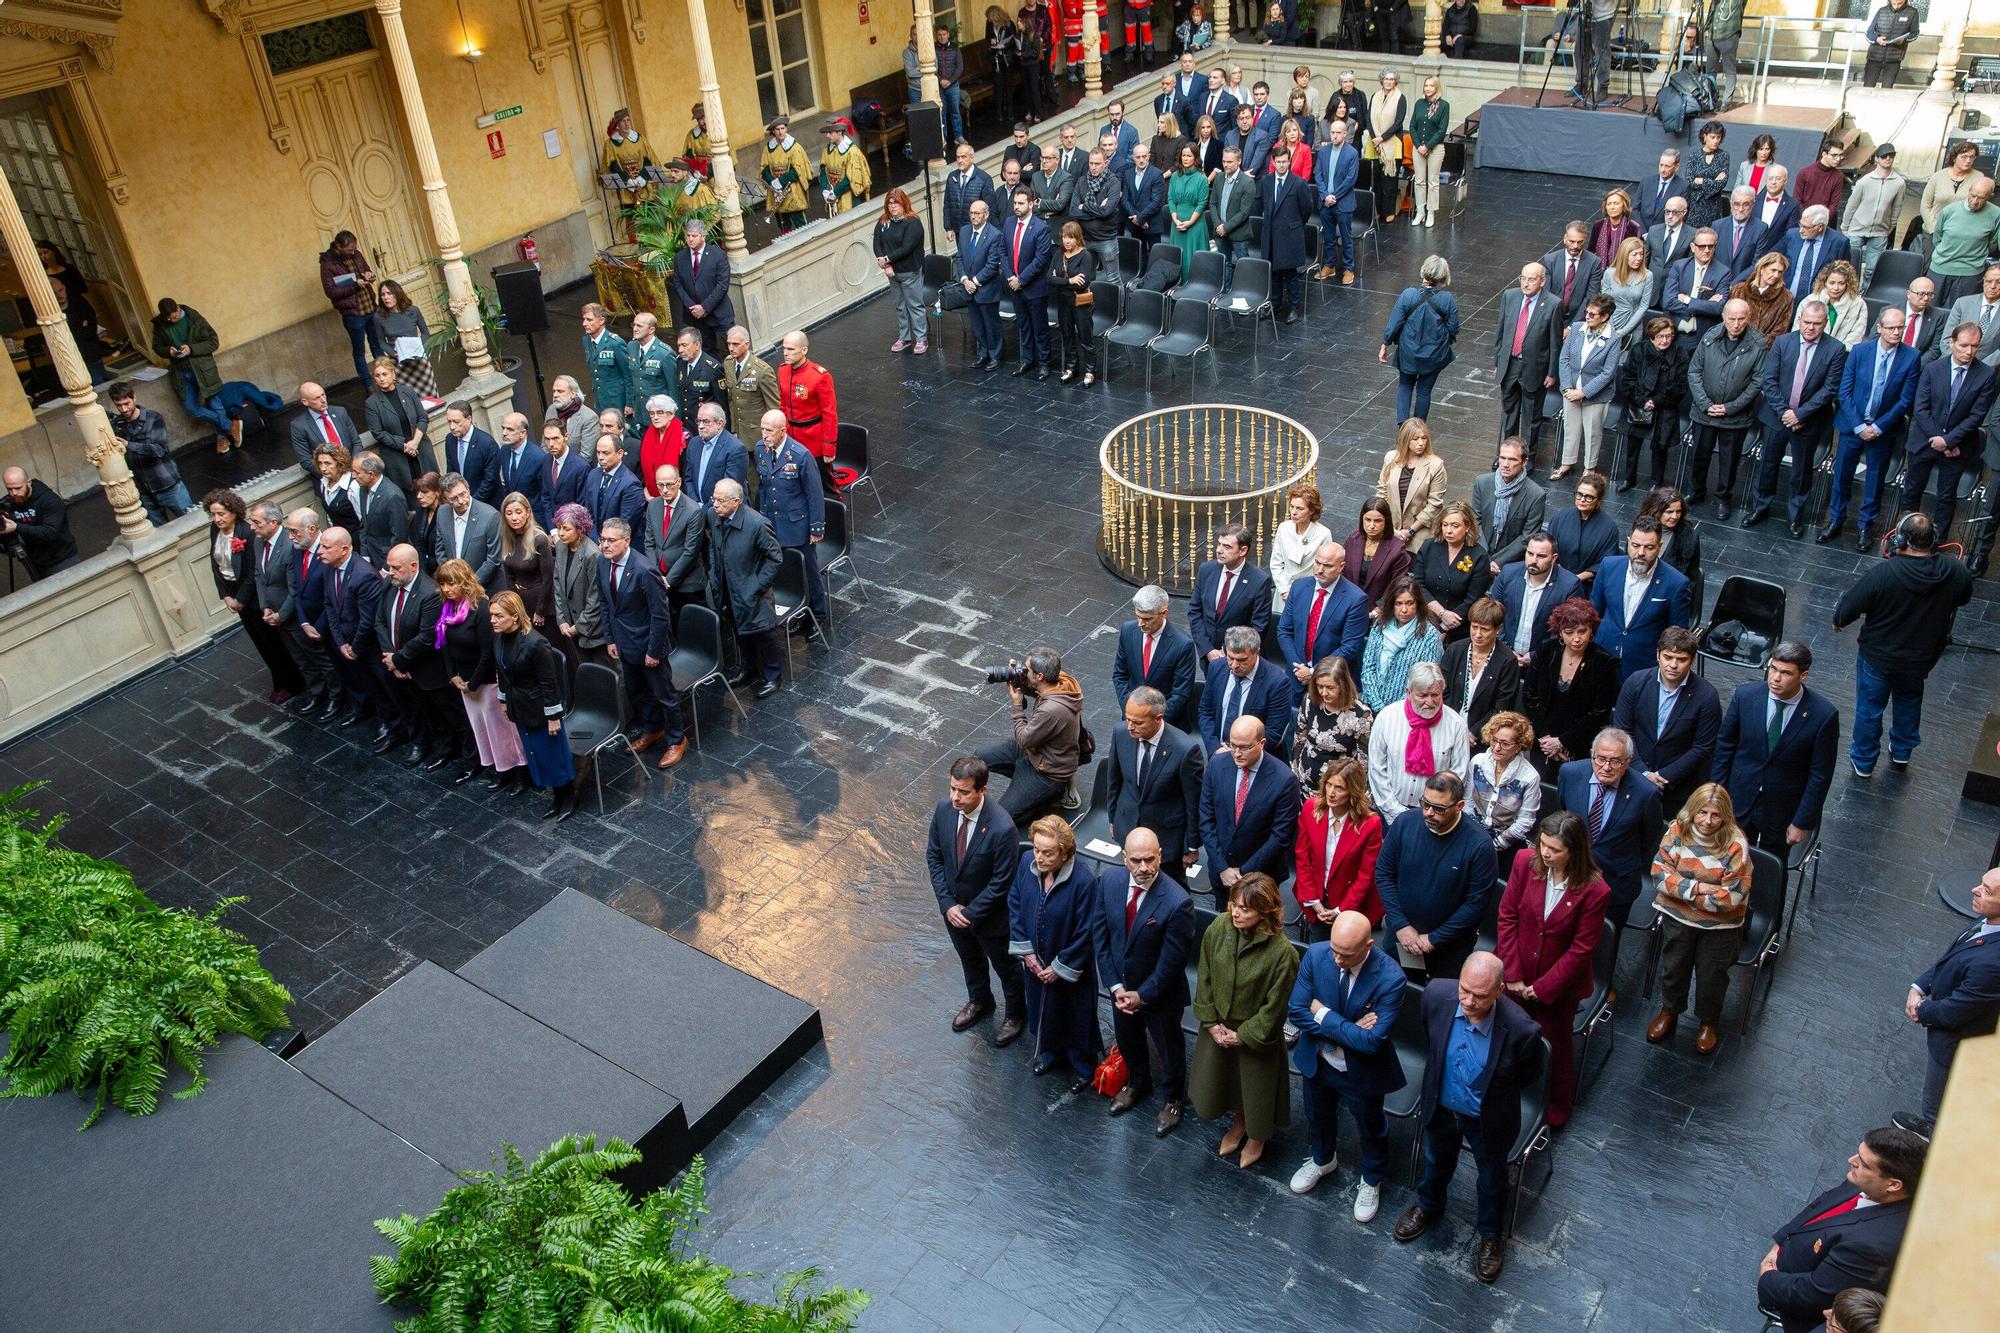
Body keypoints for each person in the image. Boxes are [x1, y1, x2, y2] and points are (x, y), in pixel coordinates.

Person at [1393, 952, 1543, 1282]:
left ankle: (1491, 1236)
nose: (1469, 1002)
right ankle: (1429, 1204)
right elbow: (1430, 1040)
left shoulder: (1521, 1031)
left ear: (1499, 990)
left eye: (1479, 995)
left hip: (1487, 1118)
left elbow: (1530, 1075)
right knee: (1436, 1160)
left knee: (1491, 1178)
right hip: (1443, 1104)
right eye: (1465, 990)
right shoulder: (1436, 996)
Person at [1833, 512, 1972, 777]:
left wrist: (1840, 619)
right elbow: (1963, 598)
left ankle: (1863, 762)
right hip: (1921, 658)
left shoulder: (1884, 573)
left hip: (1879, 656)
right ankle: (1901, 752)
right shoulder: (1955, 571)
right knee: (1909, 701)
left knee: (1870, 709)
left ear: (1900, 539)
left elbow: (1847, 609)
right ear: (1933, 540)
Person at [1286, 908, 1404, 1219]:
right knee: (1317, 1114)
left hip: (1361, 1072)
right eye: (1336, 950)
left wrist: (1323, 1014)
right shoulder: (1316, 954)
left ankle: (1372, 1178)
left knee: (1370, 1126)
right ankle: (1322, 1159)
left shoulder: (1391, 978)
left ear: (1368, 946)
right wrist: (1349, 1029)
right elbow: (1297, 1010)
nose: (1338, 960)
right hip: (1319, 1061)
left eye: (1347, 955)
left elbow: (1371, 1042)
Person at [1496, 811, 1607, 1127]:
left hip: (1557, 987)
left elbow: (1581, 949)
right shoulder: (1523, 862)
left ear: (1574, 851)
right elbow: (1507, 917)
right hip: (1516, 972)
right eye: (1543, 844)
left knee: (1556, 1045)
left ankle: (1557, 1104)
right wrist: (1513, 974)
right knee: (1507, 1034)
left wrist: (1542, 988)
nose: (1545, 853)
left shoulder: (1595, 890)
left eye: (1555, 849)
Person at [1758, 1130, 1926, 1332]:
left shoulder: (1871, 1247)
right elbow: (1822, 1204)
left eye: (1863, 1163)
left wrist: (1767, 1279)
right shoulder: (1867, 1181)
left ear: (1893, 1185)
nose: (1852, 1160)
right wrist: (1780, 1241)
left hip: (1793, 1301)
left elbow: (1813, 1293)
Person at [1190, 872, 1299, 1170]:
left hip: (1254, 1037)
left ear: (1265, 911)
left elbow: (1275, 1009)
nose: (1235, 913)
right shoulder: (1219, 928)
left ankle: (1256, 1137)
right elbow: (1205, 975)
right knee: (1227, 1083)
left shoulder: (1283, 954)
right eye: (1233, 904)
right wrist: (1211, 1023)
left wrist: (1243, 1036)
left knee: (1256, 1090)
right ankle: (1238, 1125)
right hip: (1219, 1027)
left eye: (1245, 909)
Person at [1093, 828, 1197, 1136]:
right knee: (1128, 1040)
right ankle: (1138, 1082)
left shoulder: (1178, 902)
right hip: (1121, 989)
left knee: (1169, 1049)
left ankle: (1173, 1099)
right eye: (1136, 860)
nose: (1143, 868)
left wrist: (1143, 995)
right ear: (1124, 859)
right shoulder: (1108, 883)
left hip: (1160, 995)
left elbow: (1172, 963)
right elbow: (1102, 939)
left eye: (1149, 859)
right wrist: (1115, 987)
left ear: (1160, 856)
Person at [1644, 781, 1753, 1053]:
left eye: (1715, 815)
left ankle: (1708, 1022)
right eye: (1702, 813)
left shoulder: (1736, 843)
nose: (1707, 821)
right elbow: (1658, 875)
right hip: (1678, 920)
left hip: (1721, 927)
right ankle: (1670, 1011)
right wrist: (1702, 888)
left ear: (1725, 816)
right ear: (1692, 810)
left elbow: (1729, 899)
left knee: (1711, 977)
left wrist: (1681, 889)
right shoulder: (1676, 830)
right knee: (1674, 968)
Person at [1896, 865, 2000, 1136]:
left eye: (1986, 891)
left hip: (1954, 1043)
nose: (1975, 890)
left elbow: (1956, 1010)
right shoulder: (1988, 920)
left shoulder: (1994, 963)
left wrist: (1921, 1008)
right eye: (1981, 883)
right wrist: (1919, 985)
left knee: (1936, 1105)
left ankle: (1932, 1136)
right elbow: (1952, 958)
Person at [1712, 641, 1840, 857]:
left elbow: (1820, 774)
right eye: (1773, 668)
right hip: (1739, 798)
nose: (1776, 678)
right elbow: (1725, 746)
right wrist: (1715, 794)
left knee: (1773, 869)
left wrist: (1802, 822)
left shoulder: (1823, 715)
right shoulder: (1745, 696)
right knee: (1726, 858)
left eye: (1786, 673)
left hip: (1782, 809)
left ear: (1803, 676)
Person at [1008, 815, 1102, 1089]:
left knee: (1074, 1015)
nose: (1039, 857)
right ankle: (1050, 1053)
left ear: (1065, 852)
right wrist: (1027, 954)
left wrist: (1060, 967)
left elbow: (1086, 932)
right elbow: (1015, 902)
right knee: (1041, 1009)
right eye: (1037, 849)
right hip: (1035, 962)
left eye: (1047, 853)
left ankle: (1082, 1067)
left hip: (1069, 968)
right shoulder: (1027, 863)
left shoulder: (1084, 881)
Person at [1744, 290, 1846, 534]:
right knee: (1767, 464)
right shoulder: (1782, 342)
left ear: (1825, 323)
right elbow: (1770, 380)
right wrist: (1785, 412)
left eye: (1817, 324)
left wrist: (1799, 415)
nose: (1810, 328)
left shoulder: (1836, 349)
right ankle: (1760, 507)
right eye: (1807, 322)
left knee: (1801, 473)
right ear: (1799, 319)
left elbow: (1829, 389)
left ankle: (1795, 517)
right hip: (1776, 416)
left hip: (1808, 421)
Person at [596, 515, 688, 769]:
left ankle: (677, 740)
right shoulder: (603, 563)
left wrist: (654, 651)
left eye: (611, 541)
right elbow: (606, 603)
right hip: (624, 644)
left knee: (665, 695)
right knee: (638, 692)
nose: (604, 545)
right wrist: (610, 638)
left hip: (649, 645)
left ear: (626, 541)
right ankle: (653, 729)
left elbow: (660, 615)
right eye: (602, 539)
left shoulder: (644, 570)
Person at [433, 556, 528, 791]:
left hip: (484, 683)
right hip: (464, 681)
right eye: (443, 584)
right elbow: (444, 644)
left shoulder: (481, 610)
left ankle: (519, 774)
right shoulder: (447, 609)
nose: (446, 589)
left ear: (464, 582)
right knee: (483, 730)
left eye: (451, 583)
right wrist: (452, 674)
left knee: (502, 731)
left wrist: (472, 683)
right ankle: (500, 770)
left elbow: (488, 653)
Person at [1901, 320, 1998, 541]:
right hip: (1925, 440)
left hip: (1958, 446)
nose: (1969, 351)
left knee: (1946, 497)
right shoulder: (1933, 369)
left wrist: (1949, 441)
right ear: (1951, 342)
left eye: (1974, 346)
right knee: (1912, 491)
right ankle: (1904, 536)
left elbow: (1977, 416)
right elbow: (1921, 408)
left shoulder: (1985, 375)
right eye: (1964, 345)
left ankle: (1938, 542)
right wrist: (1939, 439)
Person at [205, 490, 302, 702]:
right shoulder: (215, 530)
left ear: (233, 512)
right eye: (213, 514)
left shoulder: (246, 533)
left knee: (274, 642)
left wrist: (240, 599)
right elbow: (216, 565)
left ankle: (290, 682)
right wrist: (226, 596)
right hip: (235, 595)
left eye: (221, 514)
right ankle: (279, 680)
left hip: (253, 597)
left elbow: (252, 571)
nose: (217, 519)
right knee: (260, 643)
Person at [1612, 626, 1721, 816]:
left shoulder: (1706, 696)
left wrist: (1664, 776)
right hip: (1631, 778)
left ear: (1692, 661)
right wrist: (1643, 773)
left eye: (1681, 660)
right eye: (1668, 657)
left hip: (1677, 790)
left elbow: (1702, 747)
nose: (1673, 665)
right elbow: (1622, 731)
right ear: (1657, 655)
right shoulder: (1636, 682)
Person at [490, 589, 578, 821]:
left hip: (540, 709)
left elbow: (550, 684)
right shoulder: (499, 639)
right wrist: (502, 699)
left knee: (554, 755)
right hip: (520, 707)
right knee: (537, 754)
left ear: (515, 616)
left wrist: (552, 717)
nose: (493, 620)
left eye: (499, 616)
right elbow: (502, 671)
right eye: (492, 615)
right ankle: (557, 797)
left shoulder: (536, 643)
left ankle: (568, 796)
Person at [376, 542, 463, 769]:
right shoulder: (389, 584)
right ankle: (426, 743)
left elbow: (426, 637)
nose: (390, 572)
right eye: (390, 567)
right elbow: (380, 621)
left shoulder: (430, 593)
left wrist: (397, 660)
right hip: (397, 663)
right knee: (415, 708)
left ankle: (450, 750)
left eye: (396, 568)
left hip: (426, 669)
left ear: (413, 566)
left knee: (441, 712)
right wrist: (391, 657)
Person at [1200, 715, 1299, 910]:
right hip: (1221, 873)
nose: (1236, 753)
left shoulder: (1284, 779)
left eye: (1244, 747)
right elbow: (1206, 819)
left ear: (1262, 743)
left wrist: (1243, 872)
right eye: (1232, 745)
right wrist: (1222, 867)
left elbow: (1280, 836)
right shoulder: (1217, 765)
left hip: (1261, 878)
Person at [1105, 684, 1203, 875]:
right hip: (1128, 828)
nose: (1130, 727)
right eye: (1128, 719)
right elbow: (1114, 781)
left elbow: (1193, 802)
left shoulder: (1185, 750)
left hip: (1166, 839)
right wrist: (1113, 819)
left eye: (1138, 722)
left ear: (1158, 719)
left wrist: (1191, 846)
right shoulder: (1120, 733)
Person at [1687, 298, 1769, 517]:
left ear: (1748, 318)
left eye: (1741, 319)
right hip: (1704, 411)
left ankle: (1723, 498)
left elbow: (1757, 382)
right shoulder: (1710, 336)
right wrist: (1705, 404)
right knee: (1699, 455)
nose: (1736, 324)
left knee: (1729, 461)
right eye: (1731, 319)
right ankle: (1696, 491)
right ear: (1723, 317)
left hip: (1735, 417)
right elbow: (1694, 371)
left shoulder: (1758, 343)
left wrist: (1730, 407)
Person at [1524, 596, 1620, 780]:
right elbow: (1530, 695)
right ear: (1560, 632)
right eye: (1569, 632)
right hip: (1542, 740)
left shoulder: (1605, 662)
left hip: (1578, 745)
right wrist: (1546, 739)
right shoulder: (1546, 649)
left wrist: (1562, 742)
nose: (1576, 638)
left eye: (1582, 631)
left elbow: (1599, 712)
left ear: (1591, 629)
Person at [706, 478, 784, 698]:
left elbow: (775, 558)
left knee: (764, 634)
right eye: (714, 499)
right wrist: (714, 573)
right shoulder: (714, 516)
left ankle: (772, 675)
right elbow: (714, 546)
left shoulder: (757, 524)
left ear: (736, 501)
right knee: (740, 632)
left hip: (751, 591)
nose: (715, 505)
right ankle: (748, 668)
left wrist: (756, 586)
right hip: (727, 588)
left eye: (720, 501)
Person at [1589, 517, 1692, 679]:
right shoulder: (1608, 566)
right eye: (1635, 546)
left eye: (1649, 547)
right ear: (1628, 542)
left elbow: (1677, 634)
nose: (1641, 553)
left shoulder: (1676, 583)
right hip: (1603, 656)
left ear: (1659, 547)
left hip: (1643, 666)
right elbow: (1593, 611)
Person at [1293, 759, 1384, 941]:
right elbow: (1302, 858)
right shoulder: (1311, 808)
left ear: (1353, 791)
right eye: (1329, 785)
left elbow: (1366, 875)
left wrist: (1341, 910)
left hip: (1350, 902)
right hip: (1315, 895)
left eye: (1339, 788)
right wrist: (1314, 901)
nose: (1331, 793)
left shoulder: (1370, 824)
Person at [753, 407, 828, 629]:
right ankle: (797, 610)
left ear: (783, 431)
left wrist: (816, 528)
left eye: (769, 430)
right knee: (783, 570)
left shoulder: (800, 456)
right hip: (772, 523)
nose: (764, 435)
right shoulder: (761, 449)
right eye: (762, 429)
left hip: (797, 525)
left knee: (808, 571)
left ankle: (818, 613)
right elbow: (764, 487)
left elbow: (814, 495)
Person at [1379, 255, 1461, 421]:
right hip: (1434, 355)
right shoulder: (1447, 300)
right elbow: (1453, 328)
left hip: (1408, 352)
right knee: (1424, 391)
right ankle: (1418, 429)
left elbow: (1395, 323)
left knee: (1405, 385)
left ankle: (1403, 428)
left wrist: (1385, 343)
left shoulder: (1408, 295)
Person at [1494, 267, 1563, 456]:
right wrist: (1498, 361)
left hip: (1534, 368)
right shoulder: (1510, 296)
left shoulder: (1553, 304)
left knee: (1531, 416)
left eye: (1531, 280)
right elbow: (1501, 331)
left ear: (1542, 281)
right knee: (1509, 413)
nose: (1525, 283)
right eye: (1522, 278)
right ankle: (1507, 455)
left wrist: (1551, 372)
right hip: (1510, 364)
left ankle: (1527, 457)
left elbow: (1554, 342)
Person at [1278, 541, 1370, 684]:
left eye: (1327, 566)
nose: (1320, 570)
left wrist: (1314, 672)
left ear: (1341, 567)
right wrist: (1299, 668)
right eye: (1317, 562)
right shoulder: (1299, 587)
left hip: (1332, 681)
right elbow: (1284, 630)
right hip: (1296, 674)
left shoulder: (1356, 599)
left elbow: (1349, 647)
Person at [1618, 319, 1691, 493]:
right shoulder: (1639, 350)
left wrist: (1656, 401)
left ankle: (1657, 481)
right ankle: (1629, 478)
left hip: (1665, 407)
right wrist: (1642, 400)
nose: (1665, 341)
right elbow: (1628, 378)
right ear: (1651, 336)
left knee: (1660, 446)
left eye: (1669, 336)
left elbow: (1680, 386)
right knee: (1633, 444)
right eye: (1660, 336)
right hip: (1638, 404)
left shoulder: (1680, 354)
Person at [1200, 625, 1294, 756]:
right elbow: (1206, 711)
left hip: (1255, 760)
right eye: (1230, 658)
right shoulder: (1216, 668)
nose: (1234, 665)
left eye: (1242, 660)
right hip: (1218, 754)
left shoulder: (1278, 683)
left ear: (1257, 652)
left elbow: (1274, 732)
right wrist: (1214, 748)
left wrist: (1237, 754)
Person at [1493, 530, 1580, 671]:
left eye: (1541, 556)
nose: (1533, 560)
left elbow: (1567, 629)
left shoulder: (1570, 585)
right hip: (1503, 656)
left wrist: (1536, 654)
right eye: (1530, 553)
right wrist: (1505, 648)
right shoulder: (1508, 573)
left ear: (1554, 558)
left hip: (1543, 663)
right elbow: (1494, 614)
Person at [106, 382, 191, 525]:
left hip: (167, 484)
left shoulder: (153, 418)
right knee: (159, 532)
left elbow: (159, 450)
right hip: (143, 491)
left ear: (134, 398)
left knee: (190, 520)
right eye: (119, 405)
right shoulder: (118, 424)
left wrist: (128, 444)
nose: (124, 409)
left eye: (126, 403)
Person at [1554, 295, 1620, 478]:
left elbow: (1608, 373)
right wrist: (1567, 387)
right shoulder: (1576, 329)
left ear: (1605, 317)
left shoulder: (1613, 339)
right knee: (1571, 428)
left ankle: (1589, 467)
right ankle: (1567, 462)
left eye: (1593, 314)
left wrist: (1583, 392)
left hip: (1595, 395)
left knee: (1592, 432)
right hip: (1571, 390)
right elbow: (1564, 358)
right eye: (1587, 312)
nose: (1588, 316)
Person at [1112, 584, 1197, 725]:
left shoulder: (1182, 645)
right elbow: (1120, 675)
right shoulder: (1128, 631)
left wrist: (1153, 723)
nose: (1140, 624)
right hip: (1131, 721)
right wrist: (1132, 713)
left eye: (1147, 619)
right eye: (1138, 616)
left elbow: (1180, 694)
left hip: (1165, 724)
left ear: (1164, 613)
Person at [1289, 654, 1374, 793]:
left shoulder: (1361, 715)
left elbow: (1363, 761)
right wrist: (1295, 773)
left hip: (1338, 790)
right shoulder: (1310, 700)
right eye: (1319, 686)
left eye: (1330, 687)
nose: (1323, 693)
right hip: (1306, 784)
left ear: (1343, 685)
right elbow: (1299, 738)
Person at [1359, 575, 1444, 713]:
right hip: (1371, 705)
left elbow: (1423, 682)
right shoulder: (1380, 626)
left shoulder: (1429, 636)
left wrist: (1393, 711)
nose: (1404, 610)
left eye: (1409, 603)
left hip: (1407, 711)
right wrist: (1377, 704)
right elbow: (1368, 668)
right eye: (1398, 603)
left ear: (1418, 603)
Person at [1189, 523, 1272, 662]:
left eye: (1227, 547)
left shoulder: (1259, 581)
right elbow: (1194, 611)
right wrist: (1207, 649)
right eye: (1219, 544)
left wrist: (1227, 652)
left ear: (1243, 550)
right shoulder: (1206, 570)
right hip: (1208, 656)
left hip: (1239, 658)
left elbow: (1258, 626)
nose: (1219, 550)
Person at [1441, 598, 1519, 738]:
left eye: (1485, 629)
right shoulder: (1454, 650)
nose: (1477, 634)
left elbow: (1502, 706)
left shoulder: (1507, 661)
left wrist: (1474, 733)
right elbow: (1442, 690)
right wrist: (1451, 724)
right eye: (1474, 627)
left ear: (1498, 629)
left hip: (1483, 735)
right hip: (1447, 725)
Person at [1413, 502, 1492, 643]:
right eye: (1445, 525)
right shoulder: (1429, 546)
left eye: (1455, 526)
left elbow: (1473, 599)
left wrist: (1445, 626)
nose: (1448, 531)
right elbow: (1418, 583)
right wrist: (1441, 613)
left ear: (1467, 527)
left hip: (1459, 626)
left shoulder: (1479, 556)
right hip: (1424, 618)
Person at [362, 357, 436, 501]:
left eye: (385, 374)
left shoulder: (407, 391)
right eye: (377, 376)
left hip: (421, 449)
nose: (382, 379)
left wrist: (414, 442)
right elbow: (378, 433)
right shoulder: (372, 403)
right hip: (398, 458)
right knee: (411, 499)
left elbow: (422, 417)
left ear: (393, 374)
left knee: (432, 488)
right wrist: (404, 445)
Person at [1469, 710, 1540, 860]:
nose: (1496, 748)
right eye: (1494, 740)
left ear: (1519, 745)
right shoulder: (1478, 762)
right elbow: (1467, 800)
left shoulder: (1529, 777)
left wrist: (1496, 844)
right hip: (1472, 834)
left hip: (1506, 841)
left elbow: (1525, 821)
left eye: (1505, 744)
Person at [1000, 186, 1054, 379]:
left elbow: (1040, 260)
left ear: (1031, 204)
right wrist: (1010, 277)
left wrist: (1020, 280)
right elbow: (1003, 252)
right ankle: (1027, 360)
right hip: (1014, 286)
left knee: (1040, 328)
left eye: (1021, 203)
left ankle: (1044, 364)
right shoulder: (1008, 223)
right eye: (1015, 203)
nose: (1016, 207)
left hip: (1034, 288)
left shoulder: (1041, 228)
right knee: (1023, 326)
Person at [775, 330, 839, 489]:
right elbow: (783, 404)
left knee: (825, 484)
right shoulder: (783, 370)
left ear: (804, 350)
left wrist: (829, 447)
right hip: (791, 437)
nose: (785, 353)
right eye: (784, 348)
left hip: (813, 440)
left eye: (790, 349)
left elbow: (830, 415)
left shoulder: (820, 376)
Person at [642, 464, 706, 622]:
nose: (664, 490)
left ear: (679, 482)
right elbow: (649, 543)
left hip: (687, 584)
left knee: (690, 630)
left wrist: (668, 580)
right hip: (660, 577)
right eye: (660, 485)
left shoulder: (693, 511)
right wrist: (656, 575)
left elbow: (690, 552)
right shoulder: (653, 505)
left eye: (669, 484)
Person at [1258, 143, 1313, 323]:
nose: (1281, 165)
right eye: (1278, 162)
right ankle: (1275, 303)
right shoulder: (1266, 181)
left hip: (1290, 235)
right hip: (1271, 234)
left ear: (1289, 162)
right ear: (1273, 162)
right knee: (1273, 272)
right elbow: (1262, 205)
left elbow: (1306, 209)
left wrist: (1295, 224)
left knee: (1290, 274)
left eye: (1284, 162)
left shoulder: (1298, 183)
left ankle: (1294, 306)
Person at [1374, 416, 1449, 549]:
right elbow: (1382, 494)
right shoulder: (1391, 458)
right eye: (1415, 439)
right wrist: (1391, 528)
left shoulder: (1436, 465)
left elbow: (1434, 505)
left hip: (1420, 531)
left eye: (1424, 438)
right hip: (1390, 526)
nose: (1421, 443)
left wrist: (1410, 531)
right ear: (1405, 439)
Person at [318, 230, 381, 385]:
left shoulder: (357, 255)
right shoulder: (328, 264)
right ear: (338, 246)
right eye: (348, 250)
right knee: (359, 351)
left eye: (354, 249)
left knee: (377, 344)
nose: (352, 252)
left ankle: (386, 377)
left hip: (370, 308)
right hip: (353, 314)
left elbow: (367, 270)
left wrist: (369, 276)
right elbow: (331, 291)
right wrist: (355, 286)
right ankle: (368, 384)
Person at [1473, 439, 1547, 572]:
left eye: (1512, 460)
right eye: (1502, 458)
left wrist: (1497, 561)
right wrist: (1485, 557)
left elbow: (1527, 537)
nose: (1506, 464)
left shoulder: (1536, 495)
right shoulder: (1482, 483)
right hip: (1479, 554)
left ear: (1524, 462)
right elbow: (1474, 521)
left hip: (1509, 564)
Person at [549, 503, 605, 676]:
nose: (561, 533)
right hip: (570, 625)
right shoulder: (561, 547)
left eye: (566, 529)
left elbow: (595, 598)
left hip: (592, 629)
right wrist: (562, 619)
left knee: (604, 676)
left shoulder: (592, 554)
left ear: (580, 529)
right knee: (586, 674)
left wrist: (579, 626)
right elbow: (557, 584)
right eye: (559, 528)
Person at [1927, 177, 2000, 308]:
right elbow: (1937, 237)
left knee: (1961, 312)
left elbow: (1993, 243)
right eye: (1973, 195)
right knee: (1929, 309)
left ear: (1990, 196)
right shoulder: (1949, 210)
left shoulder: (1996, 214)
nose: (1975, 201)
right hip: (1940, 267)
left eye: (1981, 198)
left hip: (1970, 272)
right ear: (1969, 191)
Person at [874, 189, 927, 355]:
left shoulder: (913, 222)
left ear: (904, 203)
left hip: (909, 271)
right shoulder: (883, 222)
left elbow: (907, 247)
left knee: (915, 305)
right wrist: (885, 265)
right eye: (889, 204)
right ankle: (904, 337)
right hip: (893, 273)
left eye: (896, 203)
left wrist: (887, 259)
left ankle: (921, 338)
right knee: (900, 306)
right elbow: (877, 244)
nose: (892, 207)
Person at [370, 279, 434, 402]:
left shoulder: (413, 311)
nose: (386, 298)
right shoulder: (379, 317)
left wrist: (418, 347)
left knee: (430, 398)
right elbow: (381, 341)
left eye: (389, 293)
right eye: (383, 294)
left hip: (418, 359)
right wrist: (394, 353)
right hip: (398, 362)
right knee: (408, 400)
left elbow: (426, 333)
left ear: (397, 294)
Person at [287, 381, 361, 485]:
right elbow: (306, 460)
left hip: (354, 474)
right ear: (305, 402)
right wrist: (334, 476)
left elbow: (356, 441)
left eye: (323, 395)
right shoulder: (299, 425)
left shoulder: (340, 412)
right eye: (316, 398)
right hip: (329, 481)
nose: (323, 400)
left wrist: (353, 468)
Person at [1549, 470, 1619, 581]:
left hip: (1587, 584)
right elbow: (1550, 547)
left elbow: (1605, 562)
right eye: (1579, 494)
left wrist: (1575, 579)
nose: (1582, 500)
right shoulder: (1561, 517)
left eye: (1589, 497)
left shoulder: (1609, 528)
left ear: (1598, 500)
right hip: (1557, 577)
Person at [1343, 498, 1412, 609]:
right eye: (1368, 520)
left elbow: (1398, 584)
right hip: (1348, 602)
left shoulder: (1397, 549)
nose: (1371, 525)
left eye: (1377, 521)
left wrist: (1380, 607)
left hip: (1376, 609)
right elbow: (1342, 572)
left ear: (1386, 521)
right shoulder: (1353, 539)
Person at [682, 401, 750, 514]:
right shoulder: (694, 443)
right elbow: (688, 479)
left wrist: (705, 510)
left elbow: (730, 489)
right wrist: (695, 504)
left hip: (724, 514)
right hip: (696, 510)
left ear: (720, 424)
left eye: (706, 421)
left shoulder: (735, 448)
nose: (700, 426)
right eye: (698, 421)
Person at [1542, 221, 1605, 330]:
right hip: (1552, 316)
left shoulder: (1594, 263)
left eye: (1580, 242)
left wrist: (1572, 327)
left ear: (1585, 239)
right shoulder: (1551, 260)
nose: (1575, 246)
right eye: (1572, 241)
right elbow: (1546, 293)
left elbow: (1591, 297)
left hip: (1578, 318)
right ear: (1565, 238)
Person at [1205, 145, 1254, 285]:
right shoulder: (1219, 178)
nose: (1225, 164)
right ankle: (1225, 291)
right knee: (1225, 264)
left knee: (1244, 264)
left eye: (1229, 162)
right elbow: (1212, 203)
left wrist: (1226, 227)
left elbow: (1244, 212)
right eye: (1224, 161)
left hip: (1238, 233)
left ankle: (1246, 292)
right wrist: (1218, 225)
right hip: (1220, 231)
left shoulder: (1247, 182)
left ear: (1239, 161)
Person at [438, 403, 501, 510]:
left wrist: (471, 503)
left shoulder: (486, 443)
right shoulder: (450, 439)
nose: (452, 427)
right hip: (461, 504)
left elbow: (490, 480)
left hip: (486, 505)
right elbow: (451, 472)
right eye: (449, 422)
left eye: (456, 422)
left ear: (469, 419)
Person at [349, 453, 407, 567]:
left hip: (390, 562)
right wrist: (365, 556)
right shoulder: (363, 489)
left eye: (357, 472)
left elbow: (399, 537)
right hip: (372, 558)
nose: (353, 476)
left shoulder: (392, 496)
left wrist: (386, 568)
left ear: (371, 474)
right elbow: (364, 525)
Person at [1366, 69, 1407, 223]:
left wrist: (1382, 138)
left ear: (1395, 81)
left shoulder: (1400, 98)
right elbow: (1369, 118)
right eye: (1386, 79)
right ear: (1381, 80)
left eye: (1392, 79)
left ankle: (1389, 211)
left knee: (1389, 179)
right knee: (1375, 179)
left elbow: (1398, 122)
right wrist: (1374, 138)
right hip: (1373, 143)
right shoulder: (1374, 96)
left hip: (1392, 143)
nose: (1389, 81)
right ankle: (1377, 210)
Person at [759, 117, 812, 233]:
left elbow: (797, 170)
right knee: (783, 225)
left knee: (801, 224)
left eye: (783, 128)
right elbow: (764, 168)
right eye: (777, 129)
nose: (780, 132)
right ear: (773, 132)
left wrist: (780, 181)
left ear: (786, 129)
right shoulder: (768, 149)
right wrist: (772, 182)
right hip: (776, 193)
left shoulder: (795, 147)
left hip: (792, 191)